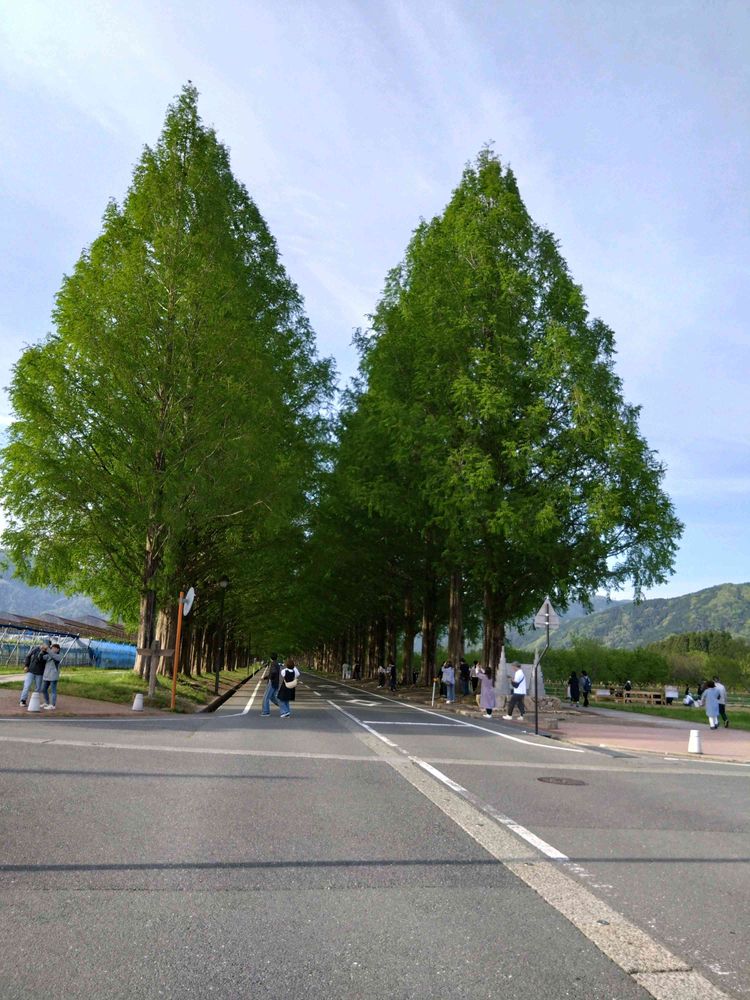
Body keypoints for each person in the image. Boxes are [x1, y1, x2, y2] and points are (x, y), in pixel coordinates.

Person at [19, 640, 50, 707]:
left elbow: (40, 659)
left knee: (38, 688)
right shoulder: (36, 649)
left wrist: (43, 652)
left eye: (46, 646)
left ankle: (34, 701)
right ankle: (23, 700)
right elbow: (28, 656)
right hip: (31, 671)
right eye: (43, 645)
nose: (44, 646)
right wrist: (26, 666)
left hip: (40, 673)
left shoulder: (48, 653)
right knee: (26, 686)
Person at [40, 644, 62, 710]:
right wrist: (42, 650)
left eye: (54, 648)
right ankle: (47, 702)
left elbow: (53, 656)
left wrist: (48, 649)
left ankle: (52, 705)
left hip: (53, 676)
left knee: (53, 690)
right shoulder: (48, 655)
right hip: (46, 675)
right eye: (52, 648)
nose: (52, 649)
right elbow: (41, 658)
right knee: (43, 689)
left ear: (58, 649)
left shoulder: (59, 656)